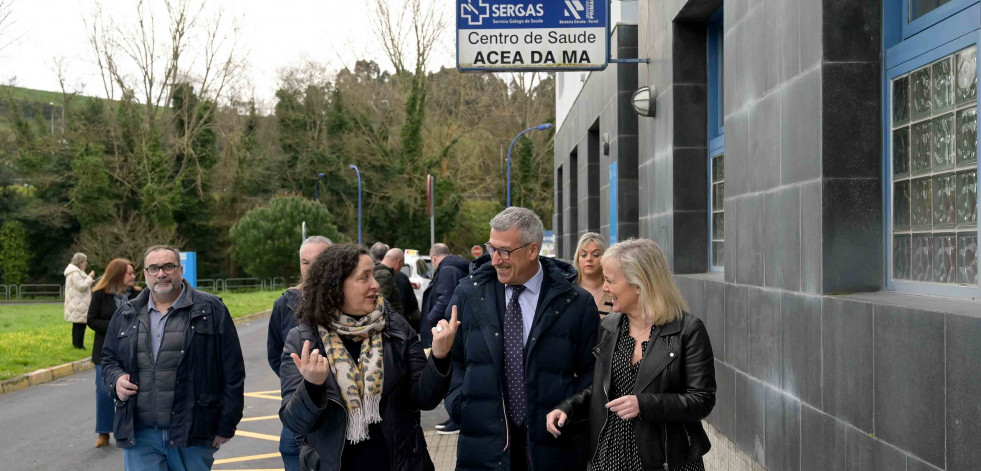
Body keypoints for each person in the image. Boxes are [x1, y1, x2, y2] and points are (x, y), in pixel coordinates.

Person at [444, 207, 599, 471]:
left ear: (532, 250)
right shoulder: (468, 294)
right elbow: (452, 360)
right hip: (483, 448)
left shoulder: (576, 302)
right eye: (492, 249)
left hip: (554, 447)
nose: (495, 260)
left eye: (504, 251)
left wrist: (569, 410)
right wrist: (462, 404)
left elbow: (593, 371)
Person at [278, 244, 458, 471]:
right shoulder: (304, 340)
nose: (375, 285)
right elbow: (295, 422)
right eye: (364, 278)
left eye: (373, 275)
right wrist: (312, 387)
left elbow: (424, 397)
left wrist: (440, 356)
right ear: (335, 286)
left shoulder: (396, 328)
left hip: (400, 463)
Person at [546, 239, 717, 471]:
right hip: (609, 455)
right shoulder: (609, 326)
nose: (604, 287)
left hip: (666, 458)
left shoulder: (688, 330)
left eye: (610, 280)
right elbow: (601, 387)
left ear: (639, 285)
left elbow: (702, 400)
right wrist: (568, 407)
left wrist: (645, 404)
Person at [101, 245, 246, 471]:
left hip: (193, 432)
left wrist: (227, 424)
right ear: (145, 273)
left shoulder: (211, 310)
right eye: (154, 268)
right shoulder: (126, 314)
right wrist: (116, 380)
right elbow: (109, 359)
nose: (161, 273)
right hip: (140, 435)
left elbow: (233, 371)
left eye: (168, 266)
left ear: (180, 270)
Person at [267, 235, 332, 471]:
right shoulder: (284, 304)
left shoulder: (350, 301)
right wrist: (299, 383)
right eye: (305, 262)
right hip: (298, 413)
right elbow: (276, 355)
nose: (311, 268)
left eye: (319, 261)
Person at [87, 258, 141, 448]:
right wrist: (116, 325)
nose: (133, 276)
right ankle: (103, 432)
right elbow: (92, 320)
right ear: (118, 274)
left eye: (133, 273)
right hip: (105, 351)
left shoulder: (139, 295)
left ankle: (130, 429)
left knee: (131, 390)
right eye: (129, 273)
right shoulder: (101, 294)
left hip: (132, 350)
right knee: (104, 392)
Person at [420, 242, 469, 434]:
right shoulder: (456, 267)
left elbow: (444, 299)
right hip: (455, 330)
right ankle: (455, 416)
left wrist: (432, 321)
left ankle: (456, 417)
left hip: (448, 331)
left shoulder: (447, 270)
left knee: (453, 374)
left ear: (433, 258)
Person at [574, 232, 614, 318]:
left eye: (595, 255)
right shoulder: (566, 289)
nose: (589, 259)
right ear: (577, 258)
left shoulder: (614, 291)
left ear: (604, 258)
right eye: (584, 255)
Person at [65, 252, 96, 349]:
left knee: (77, 325)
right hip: (78, 303)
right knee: (80, 326)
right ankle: (79, 346)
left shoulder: (75, 272)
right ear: (80, 262)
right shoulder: (75, 273)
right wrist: (90, 278)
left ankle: (76, 345)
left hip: (77, 302)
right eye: (85, 261)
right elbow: (81, 286)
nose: (86, 263)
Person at [389, 248, 420, 324]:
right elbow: (413, 305)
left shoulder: (372, 274)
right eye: (402, 266)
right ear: (399, 262)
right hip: (399, 322)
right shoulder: (401, 277)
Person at [372, 243, 403, 315]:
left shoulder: (377, 270)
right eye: (401, 266)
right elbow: (380, 304)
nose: (399, 270)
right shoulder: (385, 275)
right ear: (399, 262)